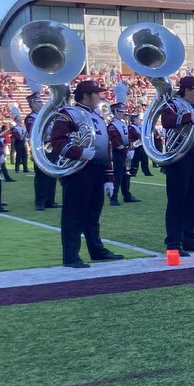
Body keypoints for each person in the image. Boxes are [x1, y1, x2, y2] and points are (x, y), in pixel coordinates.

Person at [49, 79, 123, 267]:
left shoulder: (98, 116)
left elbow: (105, 146)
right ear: (86, 95)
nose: (100, 96)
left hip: (97, 169)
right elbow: (56, 142)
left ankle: (96, 250)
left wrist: (108, 176)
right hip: (78, 170)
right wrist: (79, 152)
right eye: (97, 93)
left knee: (93, 214)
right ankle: (71, 256)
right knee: (74, 214)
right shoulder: (69, 114)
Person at [161, 75, 194, 255]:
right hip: (178, 156)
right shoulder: (174, 103)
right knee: (177, 200)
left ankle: (188, 240)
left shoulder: (193, 108)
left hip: (193, 156)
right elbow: (167, 121)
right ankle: (173, 243)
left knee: (191, 199)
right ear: (187, 90)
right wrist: (187, 117)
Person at [25, 89, 59, 211]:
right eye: (38, 102)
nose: (41, 104)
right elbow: (33, 132)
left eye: (41, 101)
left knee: (52, 174)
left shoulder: (46, 116)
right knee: (41, 176)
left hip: (51, 147)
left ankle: (50, 200)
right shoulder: (31, 118)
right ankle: (40, 202)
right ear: (32, 104)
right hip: (40, 148)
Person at [107, 92, 139, 205]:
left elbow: (128, 137)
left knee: (126, 174)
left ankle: (127, 195)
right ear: (115, 112)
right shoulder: (112, 126)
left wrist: (131, 148)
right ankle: (113, 198)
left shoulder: (123, 124)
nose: (123, 113)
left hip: (125, 152)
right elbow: (115, 141)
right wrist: (126, 151)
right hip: (118, 153)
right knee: (117, 175)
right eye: (121, 112)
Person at [127, 111, 151, 177]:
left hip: (141, 145)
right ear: (134, 119)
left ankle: (147, 172)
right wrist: (142, 137)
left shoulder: (139, 126)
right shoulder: (131, 127)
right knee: (135, 160)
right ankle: (133, 172)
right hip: (135, 145)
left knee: (144, 159)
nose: (139, 120)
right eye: (137, 118)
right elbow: (135, 135)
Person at [9, 108, 30, 173]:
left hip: (23, 141)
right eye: (18, 120)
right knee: (19, 155)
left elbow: (26, 134)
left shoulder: (22, 127)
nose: (20, 121)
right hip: (18, 142)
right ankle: (17, 169)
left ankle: (25, 168)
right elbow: (16, 135)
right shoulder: (15, 127)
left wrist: (26, 137)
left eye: (20, 119)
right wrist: (22, 136)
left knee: (25, 155)